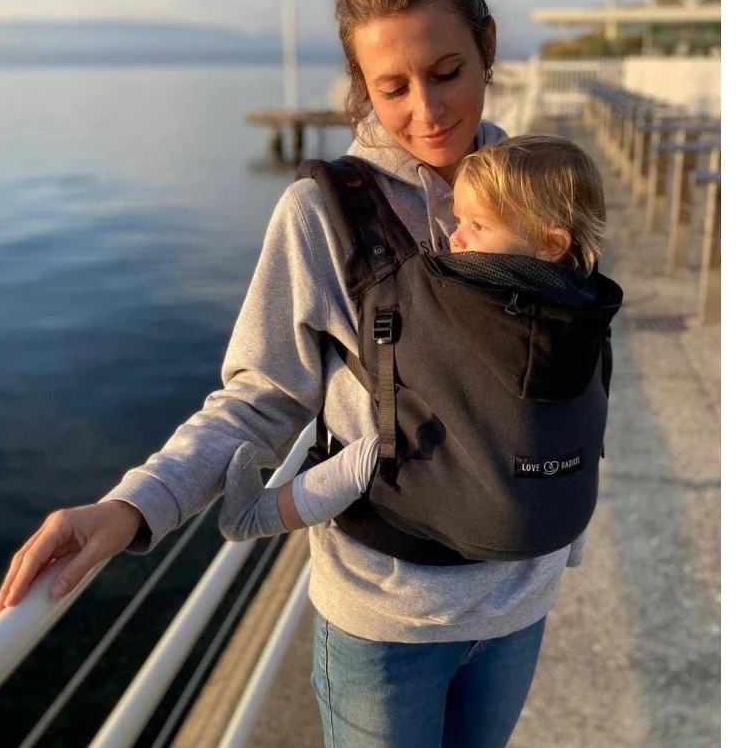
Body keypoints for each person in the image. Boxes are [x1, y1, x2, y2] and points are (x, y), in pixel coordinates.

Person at [0, 0, 598, 748]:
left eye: (447, 72)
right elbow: (260, 400)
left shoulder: (537, 186)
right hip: (385, 625)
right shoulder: (324, 214)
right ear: (360, 87)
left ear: (488, 45)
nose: (427, 111)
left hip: (521, 601)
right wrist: (131, 507)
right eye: (392, 87)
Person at [218, 134, 613, 548]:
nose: (455, 238)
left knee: (366, 457)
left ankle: (255, 517)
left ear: (551, 244)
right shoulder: (586, 307)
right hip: (563, 517)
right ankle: (572, 549)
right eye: (458, 220)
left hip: (467, 513)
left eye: (477, 226)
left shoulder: (473, 301)